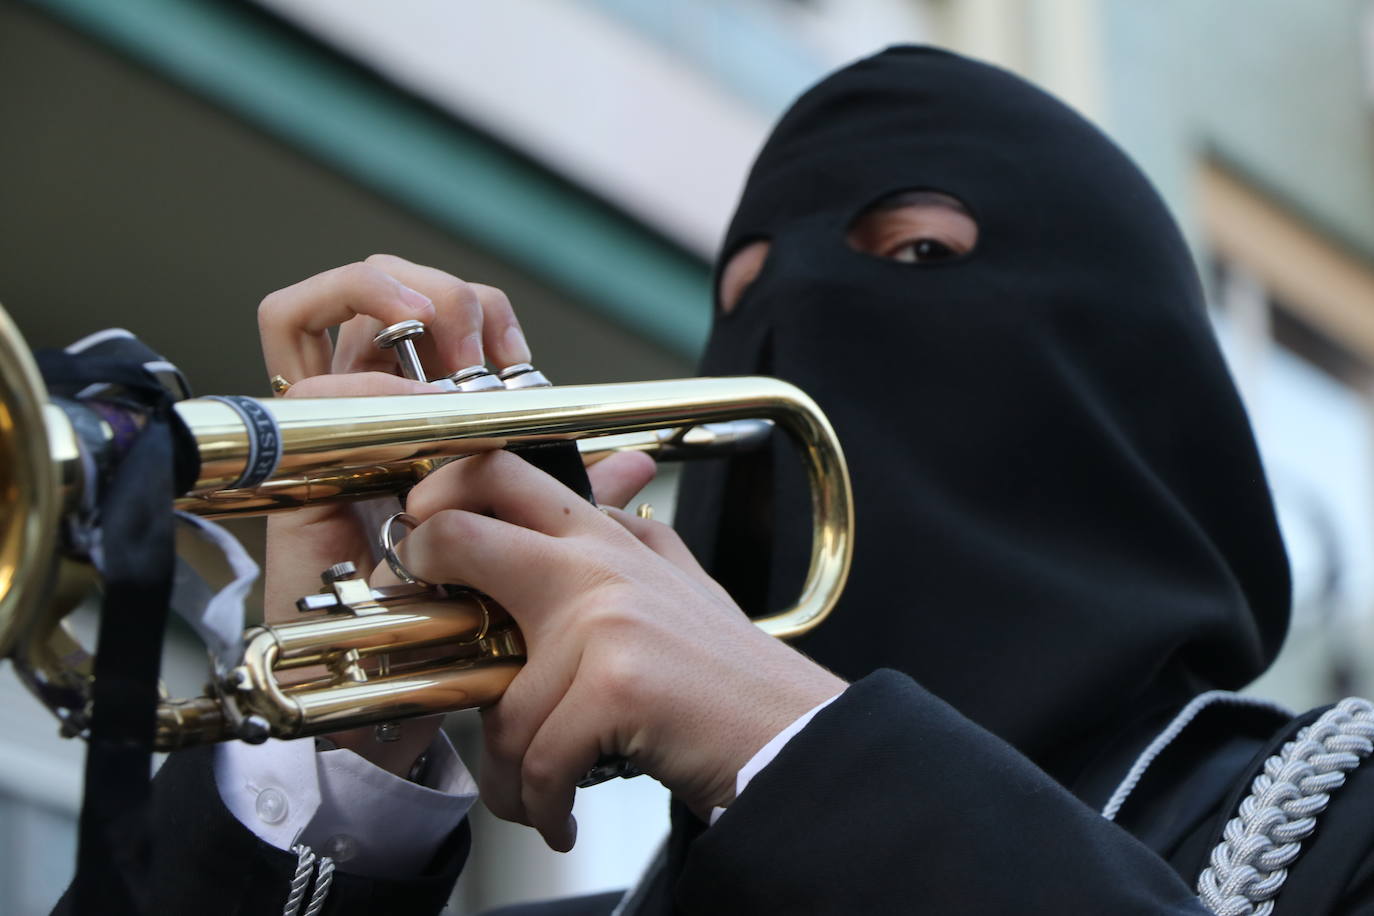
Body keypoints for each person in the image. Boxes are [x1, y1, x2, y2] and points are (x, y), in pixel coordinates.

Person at [57, 46, 1374, 915]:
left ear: (1123, 360)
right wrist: (328, 755)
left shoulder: (1337, 822)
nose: (796, 311)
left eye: (913, 255)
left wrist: (792, 742)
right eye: (740, 300)